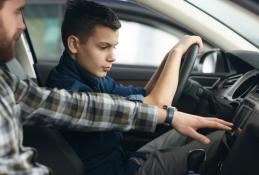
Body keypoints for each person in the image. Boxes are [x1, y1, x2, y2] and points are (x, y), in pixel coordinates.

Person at [0, 0, 232, 174]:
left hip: (127, 159)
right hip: (122, 171)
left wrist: (170, 115)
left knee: (209, 132)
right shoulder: (69, 85)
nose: (22, 24)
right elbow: (156, 102)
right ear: (74, 44)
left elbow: (141, 98)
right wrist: (176, 53)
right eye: (18, 11)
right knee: (224, 143)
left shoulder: (88, 79)